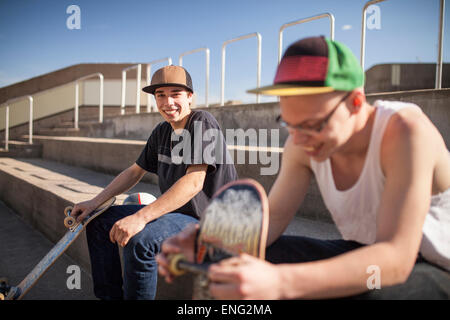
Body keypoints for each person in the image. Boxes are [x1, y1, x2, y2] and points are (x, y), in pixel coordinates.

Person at [157, 36, 450, 299]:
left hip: (434, 267)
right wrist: (204, 244)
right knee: (254, 259)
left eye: (312, 125)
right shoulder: (301, 143)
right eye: (290, 124)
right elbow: (270, 223)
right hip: (366, 252)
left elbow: (396, 260)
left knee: (373, 292)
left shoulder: (405, 132)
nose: (299, 139)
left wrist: (280, 283)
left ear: (357, 103)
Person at [71, 65, 238, 300]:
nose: (168, 102)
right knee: (98, 221)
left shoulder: (202, 122)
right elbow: (134, 172)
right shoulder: (162, 131)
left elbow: (194, 182)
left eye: (175, 94)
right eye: (161, 95)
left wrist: (140, 217)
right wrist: (94, 202)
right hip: (179, 214)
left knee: (141, 240)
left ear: (190, 96)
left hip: (211, 222)